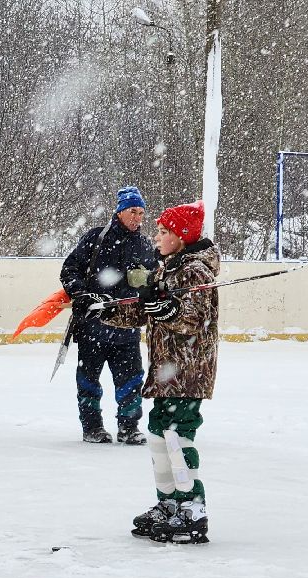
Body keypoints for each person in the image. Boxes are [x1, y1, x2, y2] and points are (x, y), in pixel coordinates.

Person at [99, 199, 219, 543]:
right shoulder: (168, 267)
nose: (156, 236)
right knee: (158, 435)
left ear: (180, 237)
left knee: (177, 437)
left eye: (164, 231)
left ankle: (192, 509)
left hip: (188, 370)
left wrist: (166, 309)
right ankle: (168, 505)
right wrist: (102, 310)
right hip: (166, 371)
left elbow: (194, 319)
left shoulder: (196, 271)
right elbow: (144, 312)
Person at [60, 185, 157, 445]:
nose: (138, 217)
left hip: (127, 330)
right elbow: (69, 270)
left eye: (141, 212)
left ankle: (129, 427)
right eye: (133, 211)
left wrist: (147, 283)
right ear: (120, 212)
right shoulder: (96, 238)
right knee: (89, 381)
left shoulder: (145, 245)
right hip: (93, 327)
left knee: (131, 381)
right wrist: (80, 294)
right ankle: (92, 428)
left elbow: (154, 283)